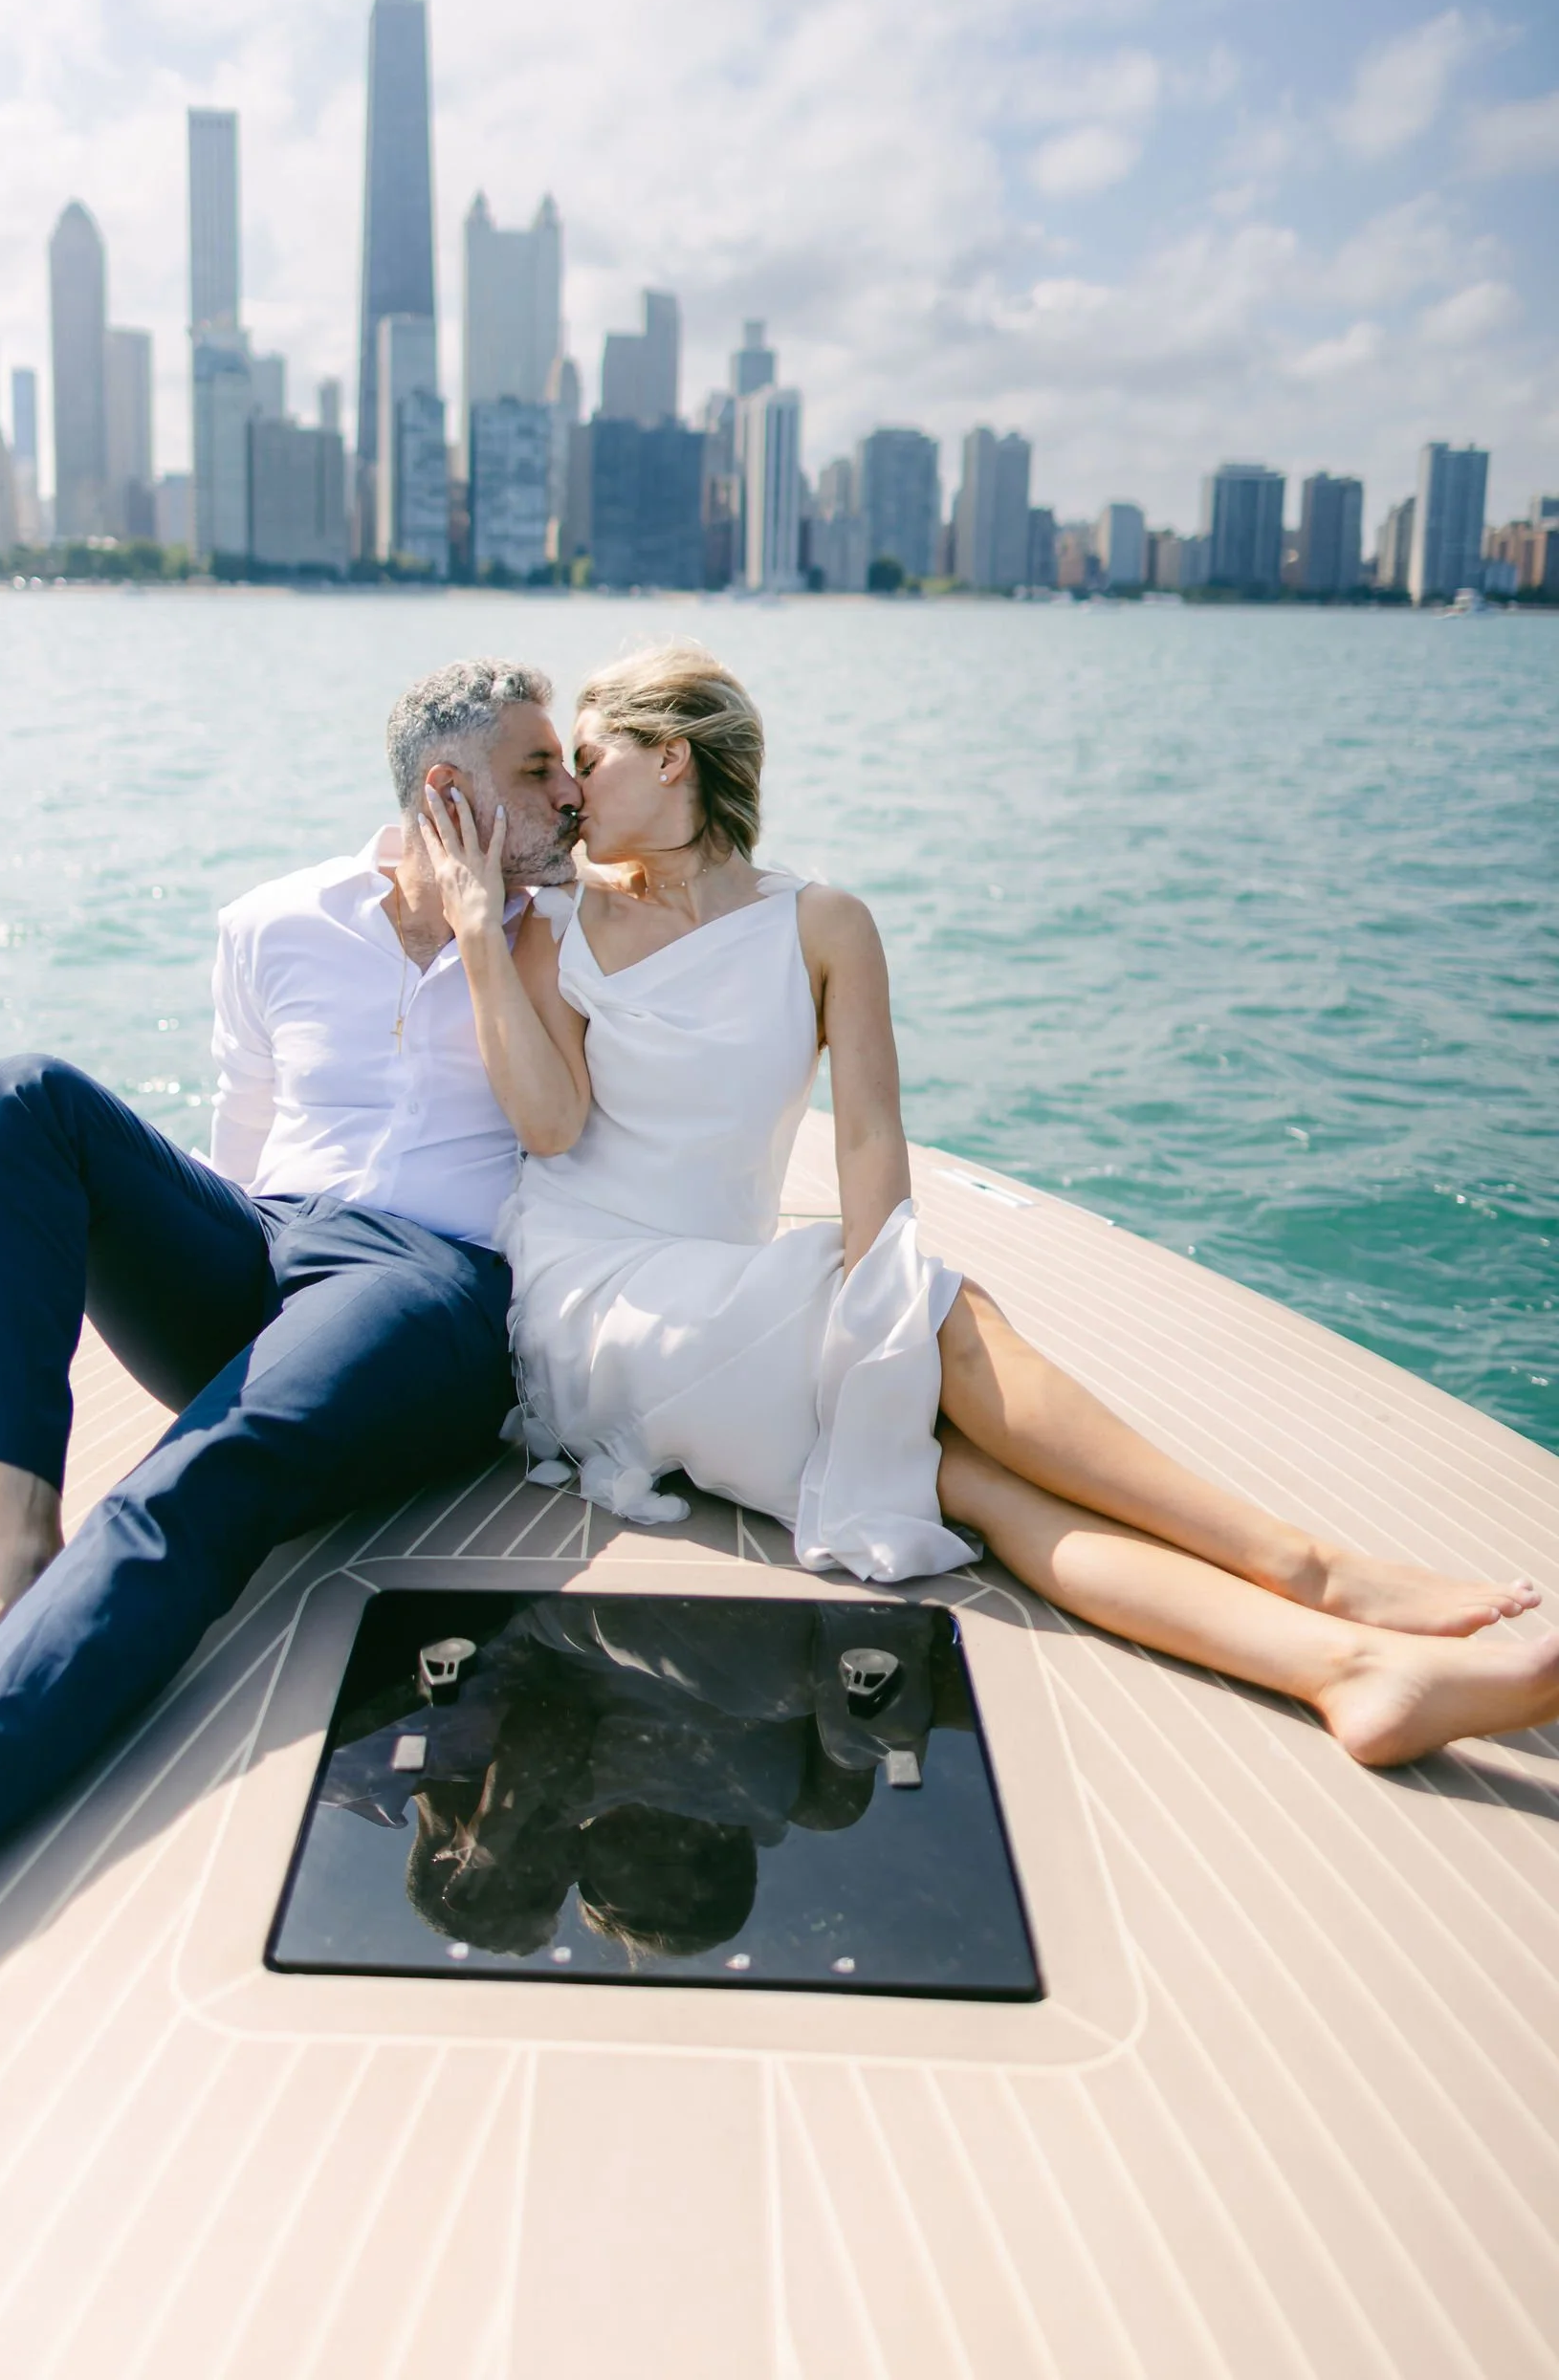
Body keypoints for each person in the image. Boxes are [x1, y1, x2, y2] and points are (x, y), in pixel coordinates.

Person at [414, 641, 1559, 1775]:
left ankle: (1342, 1669)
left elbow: (866, 1129)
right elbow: (550, 1127)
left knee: (966, 1474)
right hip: (600, 1301)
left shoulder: (822, 925)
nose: (566, 793)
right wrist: (474, 929)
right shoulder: (548, 924)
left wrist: (876, 1293)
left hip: (732, 1299)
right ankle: (1312, 1570)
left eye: (586, 758)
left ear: (670, 760)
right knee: (953, 1329)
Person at [0, 658, 582, 1982]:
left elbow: (553, 1129)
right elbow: (240, 1144)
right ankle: (9, 1558)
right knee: (16, 1092)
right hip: (271, 1241)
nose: (575, 792)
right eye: (539, 769)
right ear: (444, 790)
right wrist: (223, 1282)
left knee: (212, 1464)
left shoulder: (558, 933)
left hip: (433, 1288)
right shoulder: (275, 921)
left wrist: (476, 928)